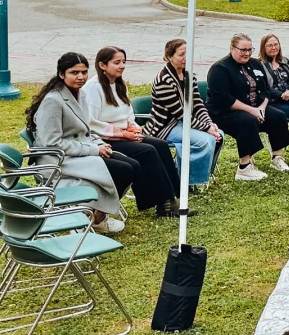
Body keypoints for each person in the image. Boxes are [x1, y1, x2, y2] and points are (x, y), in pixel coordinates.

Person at [25, 52, 134, 234]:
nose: (81, 77)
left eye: (84, 72)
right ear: (62, 74)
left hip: (79, 153)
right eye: (74, 72)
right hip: (57, 160)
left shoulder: (80, 94)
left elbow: (86, 129)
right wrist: (93, 149)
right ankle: (93, 216)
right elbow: (52, 144)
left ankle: (97, 214)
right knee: (123, 170)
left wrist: (100, 144)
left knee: (132, 166)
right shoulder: (53, 100)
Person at [84, 46, 186, 218]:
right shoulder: (93, 88)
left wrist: (133, 128)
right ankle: (161, 202)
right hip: (105, 138)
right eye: (116, 62)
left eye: (124, 62)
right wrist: (123, 134)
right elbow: (91, 123)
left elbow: (128, 112)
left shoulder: (119, 84)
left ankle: (172, 197)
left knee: (160, 145)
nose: (122, 66)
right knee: (147, 151)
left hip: (125, 134)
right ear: (102, 65)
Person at [207, 33, 289, 180]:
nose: (247, 53)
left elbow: (266, 89)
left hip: (255, 107)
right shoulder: (220, 68)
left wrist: (262, 108)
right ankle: (244, 167)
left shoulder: (255, 64)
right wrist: (252, 110)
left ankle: (277, 158)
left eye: (249, 50)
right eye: (243, 50)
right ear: (232, 48)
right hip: (224, 112)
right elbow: (223, 98)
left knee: (278, 116)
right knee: (247, 121)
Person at [143, 38, 223, 189]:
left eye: (188, 53)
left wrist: (209, 124)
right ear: (169, 56)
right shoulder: (164, 80)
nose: (185, 58)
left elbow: (198, 103)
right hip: (164, 127)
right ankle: (188, 181)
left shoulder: (189, 75)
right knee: (205, 140)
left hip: (183, 122)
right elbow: (180, 113)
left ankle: (186, 174)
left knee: (219, 135)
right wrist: (206, 129)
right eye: (181, 54)